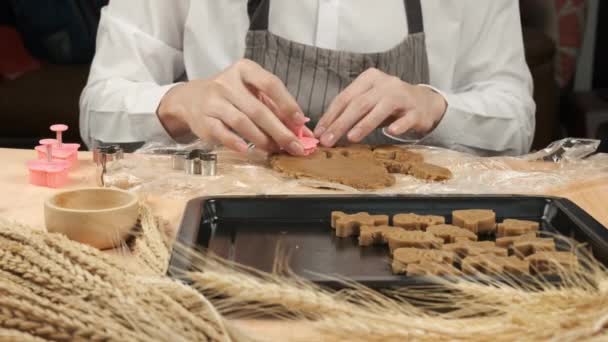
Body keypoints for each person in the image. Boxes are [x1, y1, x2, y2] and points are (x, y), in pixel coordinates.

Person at [80, 0, 535, 156]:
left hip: (409, 233)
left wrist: (437, 108)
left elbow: (516, 120)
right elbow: (98, 112)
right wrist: (179, 103)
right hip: (224, 223)